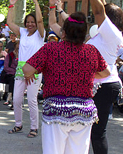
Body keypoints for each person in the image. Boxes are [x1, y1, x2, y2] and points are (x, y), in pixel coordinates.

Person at [22, 12, 110, 154]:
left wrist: (36, 72)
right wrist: (85, 72)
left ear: (63, 33)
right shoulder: (92, 51)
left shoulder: (51, 49)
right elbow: (106, 72)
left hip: (57, 110)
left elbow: (27, 69)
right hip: (83, 112)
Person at [83, 0, 123, 154]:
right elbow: (104, 7)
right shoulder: (109, 33)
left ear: (110, 20)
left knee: (97, 132)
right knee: (92, 129)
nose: (100, 19)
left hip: (104, 85)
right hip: (102, 83)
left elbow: (99, 10)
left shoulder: (111, 33)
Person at [7, 0, 45, 138]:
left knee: (31, 100)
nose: (30, 24)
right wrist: (11, 5)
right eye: (28, 22)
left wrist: (36, 2)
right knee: (16, 99)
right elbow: (10, 23)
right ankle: (18, 124)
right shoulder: (22, 32)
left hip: (34, 70)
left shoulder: (40, 34)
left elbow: (41, 21)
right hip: (20, 69)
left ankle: (34, 127)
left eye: (32, 22)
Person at [3, 40, 19, 107]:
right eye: (17, 48)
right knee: (13, 79)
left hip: (19, 75)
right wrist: (15, 72)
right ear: (15, 47)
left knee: (16, 80)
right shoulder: (10, 55)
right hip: (9, 74)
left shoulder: (23, 56)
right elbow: (6, 67)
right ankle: (13, 101)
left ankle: (10, 97)